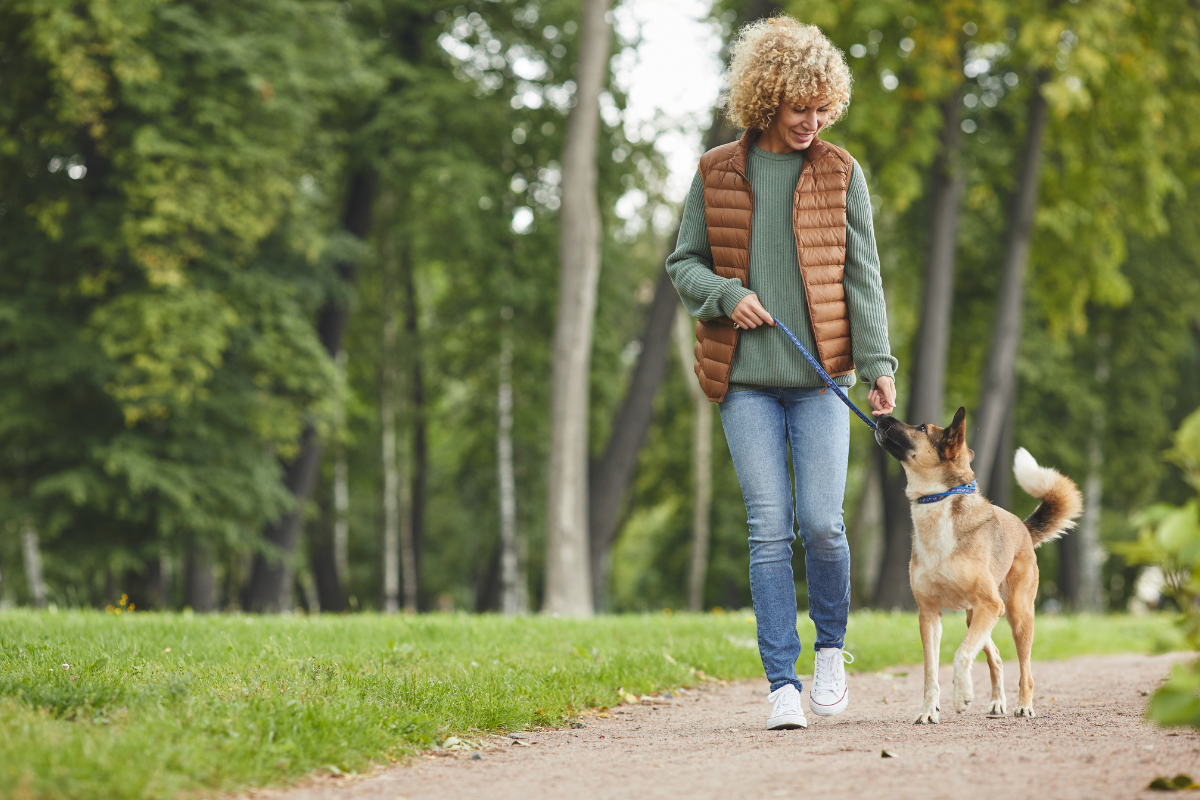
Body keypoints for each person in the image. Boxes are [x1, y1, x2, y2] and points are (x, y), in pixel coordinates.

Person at [666, 16, 897, 731]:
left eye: (824, 108)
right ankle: (780, 686)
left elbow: (863, 277)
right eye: (802, 108)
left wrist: (879, 364)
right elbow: (683, 263)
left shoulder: (841, 172)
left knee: (823, 525)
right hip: (745, 381)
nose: (813, 121)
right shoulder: (717, 171)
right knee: (769, 529)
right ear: (768, 100)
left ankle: (831, 650)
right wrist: (727, 295)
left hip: (824, 378)